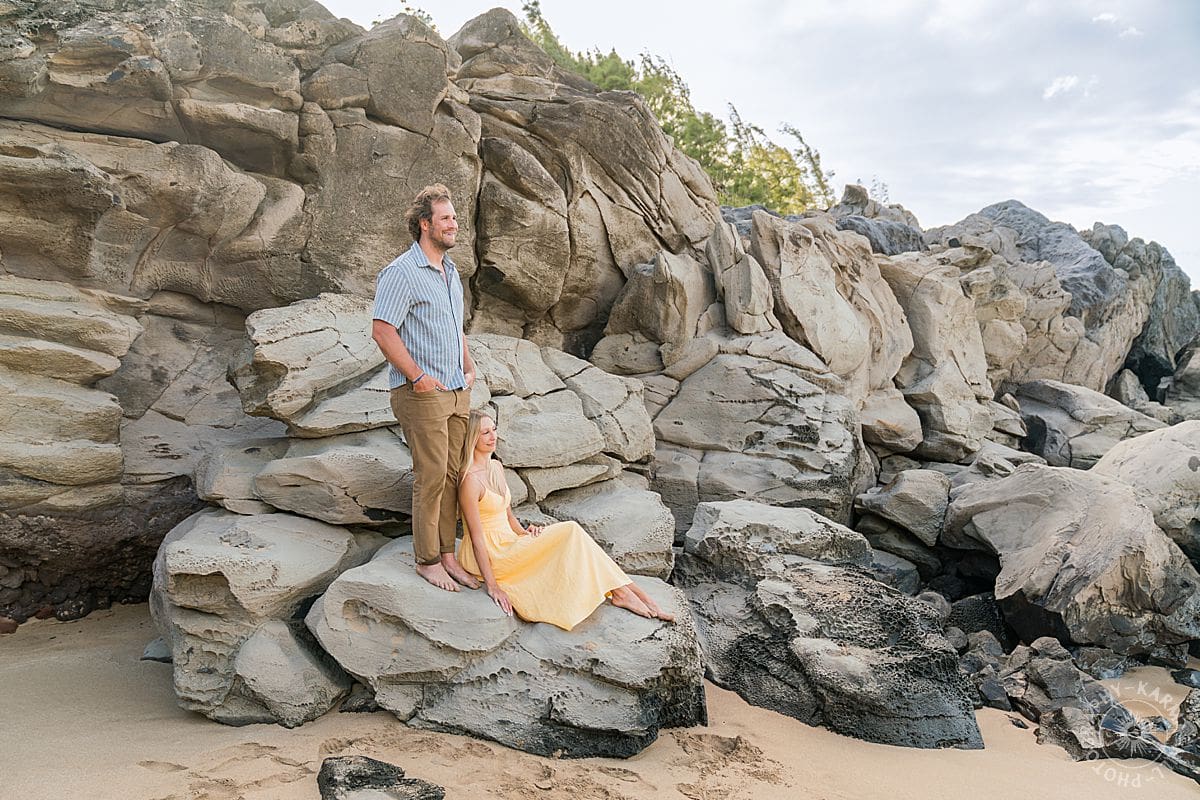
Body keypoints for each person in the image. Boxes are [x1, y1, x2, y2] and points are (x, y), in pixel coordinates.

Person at [456, 410, 675, 631]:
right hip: (493, 552)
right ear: (473, 438)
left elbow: (508, 515)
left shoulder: (496, 467)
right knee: (571, 530)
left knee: (571, 538)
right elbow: (476, 537)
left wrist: (525, 535)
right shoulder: (470, 481)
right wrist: (492, 585)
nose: (493, 436)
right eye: (485, 432)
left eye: (494, 429)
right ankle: (626, 594)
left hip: (510, 541)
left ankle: (629, 594)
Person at [372, 184, 479, 592]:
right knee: (431, 474)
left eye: (454, 217)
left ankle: (448, 554)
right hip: (423, 392)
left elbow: (456, 328)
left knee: (454, 474)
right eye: (447, 218)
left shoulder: (451, 273)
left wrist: (468, 366)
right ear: (425, 224)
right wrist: (417, 378)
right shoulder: (401, 272)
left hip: (456, 388)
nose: (454, 224)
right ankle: (427, 560)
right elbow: (383, 331)